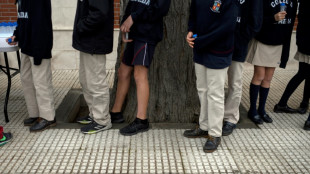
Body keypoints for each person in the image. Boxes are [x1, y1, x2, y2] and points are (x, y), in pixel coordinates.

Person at [183, 0, 239, 153]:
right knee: (202, 90)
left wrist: (200, 41)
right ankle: (204, 126)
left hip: (218, 51)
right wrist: (190, 31)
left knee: (215, 94)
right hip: (200, 50)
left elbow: (227, 27)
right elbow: (193, 14)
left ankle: (214, 133)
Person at [110, 0, 171, 136]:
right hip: (134, 33)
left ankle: (141, 120)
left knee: (139, 74)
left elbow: (160, 9)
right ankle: (115, 113)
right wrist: (125, 25)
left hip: (147, 35)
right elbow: (132, 4)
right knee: (123, 72)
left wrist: (133, 17)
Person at [7, 0, 56, 132]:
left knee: (42, 83)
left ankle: (48, 117)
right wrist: (17, 35)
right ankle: (35, 114)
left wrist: (39, 51)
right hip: (26, 46)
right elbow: (23, 19)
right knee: (27, 81)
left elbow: (41, 24)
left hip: (38, 47)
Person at [246, 0, 297, 124]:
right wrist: (273, 18)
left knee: (268, 78)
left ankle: (261, 110)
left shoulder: (293, 2)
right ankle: (252, 110)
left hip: (278, 42)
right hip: (263, 40)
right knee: (259, 76)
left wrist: (286, 48)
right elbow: (255, 18)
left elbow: (290, 26)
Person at [72, 0, 114, 134]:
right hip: (87, 41)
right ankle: (94, 114)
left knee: (96, 82)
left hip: (95, 42)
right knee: (86, 80)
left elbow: (100, 13)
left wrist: (81, 26)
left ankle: (102, 120)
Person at [222, 0, 263, 136]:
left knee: (234, 82)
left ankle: (230, 118)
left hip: (238, 45)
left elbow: (255, 23)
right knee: (216, 83)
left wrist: (242, 38)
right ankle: (215, 115)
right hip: (219, 43)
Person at [274, 0, 310, 115]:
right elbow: (303, 21)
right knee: (303, 73)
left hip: (304, 42)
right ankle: (287, 103)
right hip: (306, 43)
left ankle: (301, 103)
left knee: (304, 74)